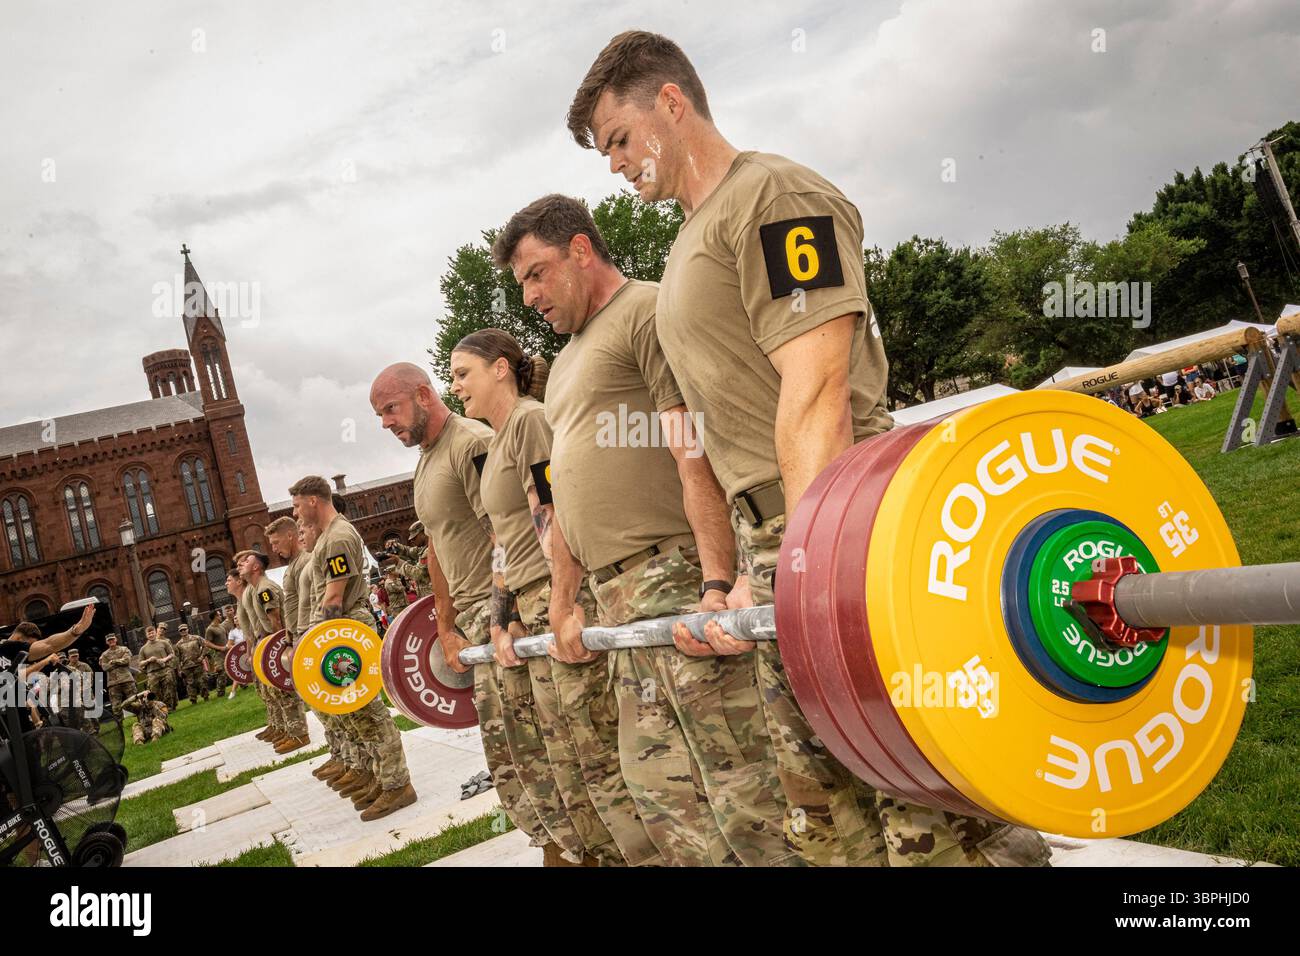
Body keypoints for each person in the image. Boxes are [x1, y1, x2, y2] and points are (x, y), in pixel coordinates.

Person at [567, 30, 1050, 866]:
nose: (613, 165)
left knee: (922, 801)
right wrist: (724, 579)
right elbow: (703, 439)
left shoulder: (775, 198)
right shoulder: (685, 246)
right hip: (777, 533)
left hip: (843, 520)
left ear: (672, 105)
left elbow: (819, 389)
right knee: (828, 814)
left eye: (618, 139)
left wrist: (803, 559)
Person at [495, 194, 791, 866]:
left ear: (579, 250)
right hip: (615, 596)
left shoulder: (646, 313)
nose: (531, 296)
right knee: (661, 793)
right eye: (521, 285)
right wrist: (567, 601)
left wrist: (719, 579)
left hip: (674, 576)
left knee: (743, 783)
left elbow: (695, 454)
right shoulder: (566, 362)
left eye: (537, 274)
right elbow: (561, 495)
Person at [370, 363, 571, 863]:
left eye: (390, 410)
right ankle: (555, 847)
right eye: (378, 415)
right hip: (474, 620)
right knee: (508, 760)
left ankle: (575, 852)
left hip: (505, 609)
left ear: (423, 394)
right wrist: (444, 625)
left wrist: (507, 614)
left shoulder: (471, 443)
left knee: (542, 747)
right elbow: (437, 545)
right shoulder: (426, 460)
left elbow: (504, 531)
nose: (385, 423)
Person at [451, 328, 634, 867]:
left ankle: (633, 853)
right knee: (563, 749)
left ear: (500, 368)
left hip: (558, 595)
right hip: (528, 603)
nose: (456, 385)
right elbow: (503, 541)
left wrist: (561, 600)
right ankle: (596, 852)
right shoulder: (499, 437)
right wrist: (499, 618)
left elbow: (553, 514)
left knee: (594, 740)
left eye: (464, 373)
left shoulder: (530, 420)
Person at [291, 475, 417, 820]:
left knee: (368, 712)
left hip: (344, 629)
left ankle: (397, 785)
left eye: (297, 505)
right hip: (337, 630)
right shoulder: (330, 538)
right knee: (353, 713)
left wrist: (323, 646)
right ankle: (378, 777)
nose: (296, 513)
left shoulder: (338, 537)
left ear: (314, 501)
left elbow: (333, 598)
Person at [240, 549, 311, 754]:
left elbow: (276, 620)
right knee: (276, 691)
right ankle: (288, 730)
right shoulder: (257, 589)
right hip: (269, 643)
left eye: (246, 561)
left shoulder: (265, 588)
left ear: (256, 567)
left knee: (284, 690)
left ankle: (298, 733)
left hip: (279, 641)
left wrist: (280, 649)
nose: (241, 564)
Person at [0, 607, 96, 734]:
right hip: (5, 720)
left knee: (30, 750)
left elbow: (48, 645)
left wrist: (75, 631)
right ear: (19, 639)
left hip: (16, 717)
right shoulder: (6, 649)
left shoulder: (8, 651)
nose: (29, 647)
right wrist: (45, 661)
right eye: (29, 644)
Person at [97, 632, 135, 722]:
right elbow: (105, 667)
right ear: (107, 642)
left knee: (134, 701)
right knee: (116, 707)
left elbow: (127, 661)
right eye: (109, 640)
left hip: (127, 679)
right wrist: (120, 662)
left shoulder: (124, 649)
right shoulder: (104, 654)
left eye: (112, 639)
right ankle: (120, 726)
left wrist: (113, 661)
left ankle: (142, 718)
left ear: (116, 639)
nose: (111, 641)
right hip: (113, 683)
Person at [138, 624, 177, 711]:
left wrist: (165, 659)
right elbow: (140, 663)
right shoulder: (143, 649)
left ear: (155, 633)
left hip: (165, 670)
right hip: (152, 673)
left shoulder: (164, 643)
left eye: (152, 633)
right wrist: (148, 660)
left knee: (168, 689)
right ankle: (160, 709)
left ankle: (169, 708)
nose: (151, 635)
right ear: (146, 635)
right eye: (149, 634)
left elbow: (172, 654)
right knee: (155, 692)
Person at [175, 624, 207, 704]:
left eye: (184, 629)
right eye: (181, 630)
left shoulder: (196, 638)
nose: (183, 631)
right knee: (190, 684)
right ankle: (193, 700)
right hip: (186, 667)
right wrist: (179, 669)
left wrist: (202, 656)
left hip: (197, 664)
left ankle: (206, 696)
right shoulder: (178, 644)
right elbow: (177, 658)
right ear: (179, 632)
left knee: (202, 681)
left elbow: (205, 646)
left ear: (188, 629)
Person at [202, 609, 229, 698]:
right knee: (222, 672)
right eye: (219, 614)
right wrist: (220, 648)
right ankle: (220, 693)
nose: (221, 616)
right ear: (215, 617)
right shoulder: (210, 629)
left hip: (227, 651)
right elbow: (207, 643)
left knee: (233, 666)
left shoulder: (221, 627)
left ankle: (243, 685)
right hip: (218, 654)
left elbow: (226, 637)